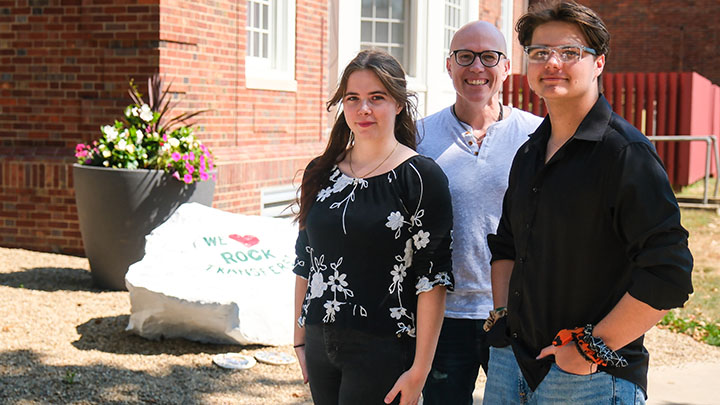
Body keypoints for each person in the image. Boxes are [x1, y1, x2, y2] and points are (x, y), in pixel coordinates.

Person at [483, 1, 694, 404]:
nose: (552, 63)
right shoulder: (530, 152)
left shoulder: (625, 153)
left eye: (569, 52)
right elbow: (507, 246)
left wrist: (588, 349)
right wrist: (504, 321)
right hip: (512, 365)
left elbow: (669, 273)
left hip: (589, 378)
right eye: (540, 52)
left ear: (598, 63)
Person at [292, 49, 454, 405]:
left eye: (376, 98)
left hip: (384, 347)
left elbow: (434, 280)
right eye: (353, 99)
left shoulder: (421, 177)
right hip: (319, 341)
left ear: (398, 104)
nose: (363, 109)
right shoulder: (320, 172)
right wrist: (299, 340)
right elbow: (305, 259)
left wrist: (420, 371)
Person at [417, 21, 542, 404]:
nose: (476, 68)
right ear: (449, 65)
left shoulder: (537, 135)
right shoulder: (418, 136)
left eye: (489, 57)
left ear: (506, 67)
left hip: (516, 312)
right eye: (465, 56)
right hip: (443, 314)